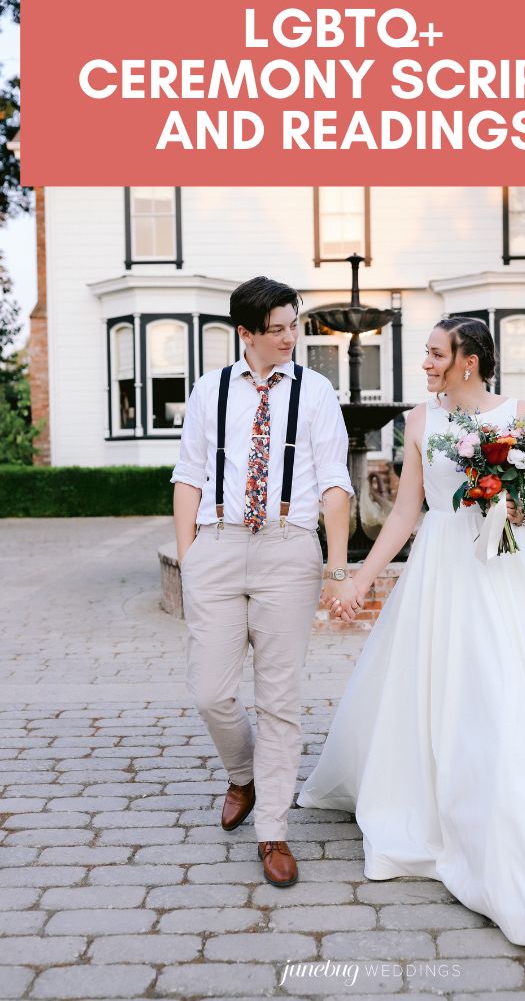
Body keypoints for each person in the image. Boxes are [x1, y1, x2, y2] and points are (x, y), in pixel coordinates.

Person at [298, 316, 525, 945]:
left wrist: (506, 504)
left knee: (502, 689)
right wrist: (359, 579)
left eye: (434, 354)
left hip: (502, 574)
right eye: (426, 354)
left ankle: (522, 833)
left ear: (469, 362)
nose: (425, 363)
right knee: (436, 688)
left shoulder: (520, 415)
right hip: (440, 573)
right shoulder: (421, 421)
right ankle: (433, 802)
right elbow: (406, 512)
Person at [171, 276, 360, 888]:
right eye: (276, 329)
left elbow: (335, 479)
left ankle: (273, 829)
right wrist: (189, 558)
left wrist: (337, 566)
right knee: (211, 693)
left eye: (294, 325)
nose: (289, 338)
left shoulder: (316, 390)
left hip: (287, 550)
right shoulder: (210, 389)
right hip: (218, 546)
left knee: (280, 700)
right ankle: (243, 774)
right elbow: (188, 476)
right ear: (245, 334)